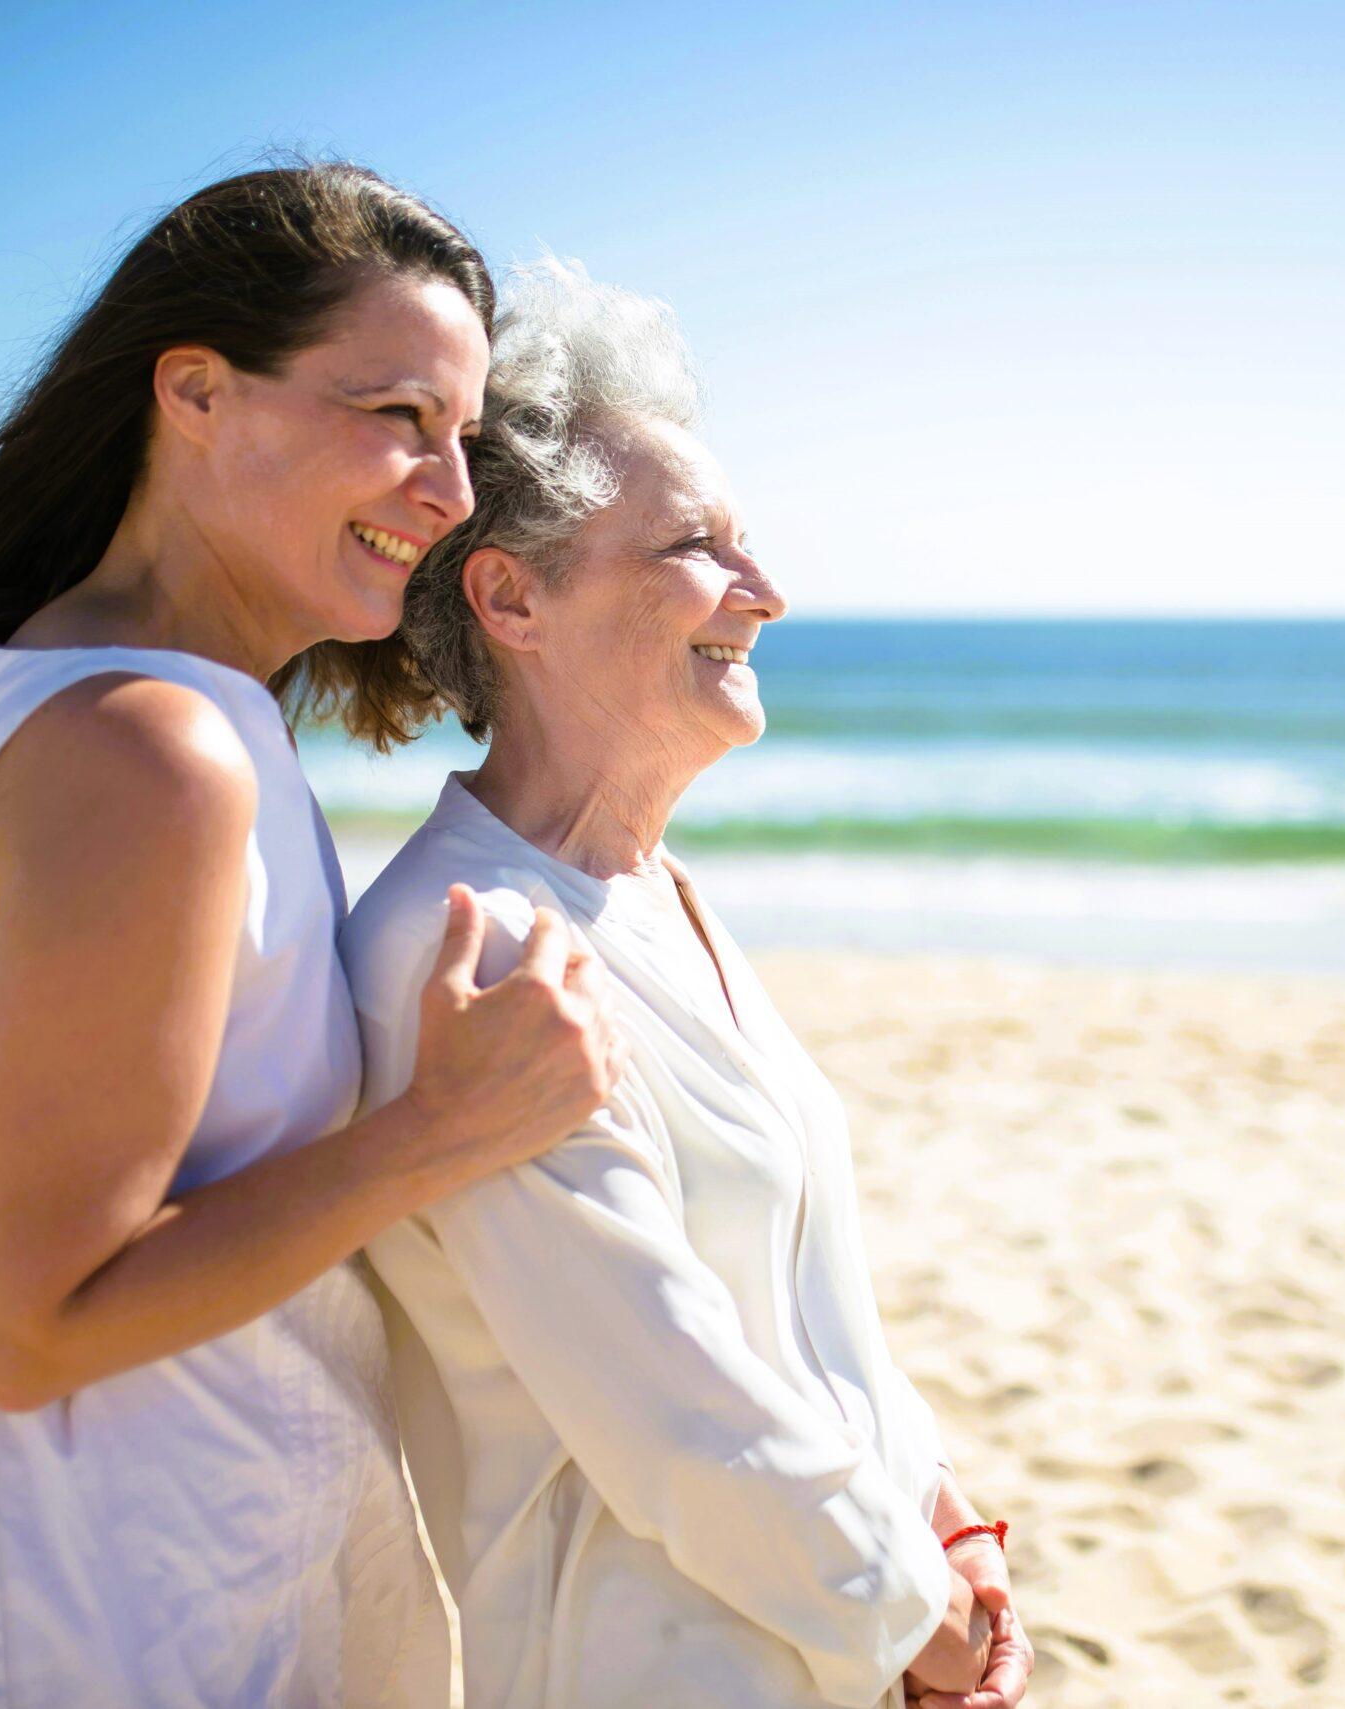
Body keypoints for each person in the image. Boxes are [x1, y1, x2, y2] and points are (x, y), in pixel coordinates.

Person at [0, 164, 624, 1707]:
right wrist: (437, 1132)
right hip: (102, 1637)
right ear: (194, 391)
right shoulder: (149, 754)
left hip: (147, 1598)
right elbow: (33, 1325)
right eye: (399, 414)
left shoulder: (125, 711)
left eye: (461, 435)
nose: (450, 491)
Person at [340, 260, 1035, 1709]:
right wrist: (924, 1621)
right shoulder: (471, 948)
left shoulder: (653, 891)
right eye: (696, 548)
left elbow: (802, 1304)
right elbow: (676, 1411)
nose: (765, 596)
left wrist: (947, 1515)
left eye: (747, 546)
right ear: (510, 595)